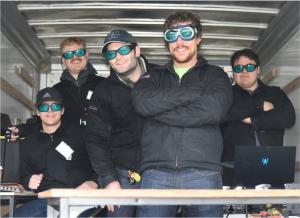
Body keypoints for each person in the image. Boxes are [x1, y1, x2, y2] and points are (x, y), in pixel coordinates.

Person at [131, 12, 233, 217]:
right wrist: (191, 94)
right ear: (166, 42)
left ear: (198, 38)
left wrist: (158, 112)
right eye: (172, 36)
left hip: (204, 172)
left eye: (186, 33)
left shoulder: (215, 75)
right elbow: (141, 103)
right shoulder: (152, 76)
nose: (179, 41)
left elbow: (214, 111)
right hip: (155, 173)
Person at [85, 30, 155, 217]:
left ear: (136, 51)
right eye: (111, 54)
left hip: (160, 171)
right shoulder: (103, 92)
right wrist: (109, 180)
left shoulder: (162, 78)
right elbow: (95, 138)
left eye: (123, 50)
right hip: (123, 172)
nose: (118, 57)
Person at [13, 87, 100, 217]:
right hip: (44, 202)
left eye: (55, 106)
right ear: (37, 111)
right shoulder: (28, 143)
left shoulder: (81, 135)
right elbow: (22, 175)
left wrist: (94, 182)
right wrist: (27, 180)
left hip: (78, 200)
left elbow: (102, 164)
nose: (49, 111)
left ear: (62, 110)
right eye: (44, 107)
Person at [221, 48, 296, 186]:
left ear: (258, 69)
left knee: (272, 207)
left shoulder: (275, 93)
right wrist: (260, 105)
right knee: (235, 208)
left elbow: (288, 118)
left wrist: (253, 120)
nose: (244, 71)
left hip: (270, 164)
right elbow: (225, 113)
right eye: (238, 68)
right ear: (233, 72)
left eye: (249, 67)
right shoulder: (226, 95)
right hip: (232, 167)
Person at [9, 37, 105, 138]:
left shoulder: (104, 85)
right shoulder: (56, 91)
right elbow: (43, 119)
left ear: (87, 54)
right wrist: (21, 130)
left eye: (79, 52)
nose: (75, 57)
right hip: (70, 147)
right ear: (63, 60)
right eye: (68, 54)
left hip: (102, 147)